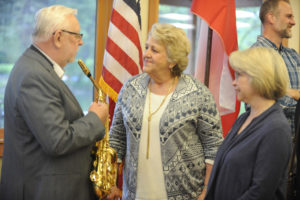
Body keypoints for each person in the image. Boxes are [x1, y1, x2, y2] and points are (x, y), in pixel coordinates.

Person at [0, 5, 108, 200]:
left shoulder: (36, 68)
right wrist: (95, 119)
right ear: (58, 37)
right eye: (77, 36)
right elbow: (57, 140)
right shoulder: (34, 75)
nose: (81, 42)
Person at [107, 23, 223, 200]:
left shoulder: (198, 93)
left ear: (172, 60)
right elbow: (117, 139)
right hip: (134, 195)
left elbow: (214, 147)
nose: (146, 54)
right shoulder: (130, 88)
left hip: (187, 194)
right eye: (147, 47)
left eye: (154, 50)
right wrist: (111, 183)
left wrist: (207, 190)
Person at [205, 47, 292, 200]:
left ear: (259, 77)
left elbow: (260, 192)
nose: (233, 82)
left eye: (239, 75)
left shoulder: (276, 129)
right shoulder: (243, 119)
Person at [252, 0, 300, 138]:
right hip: (269, 143)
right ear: (271, 17)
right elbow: (260, 106)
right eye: (289, 16)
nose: (293, 22)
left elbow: (275, 102)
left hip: (293, 147)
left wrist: (287, 94)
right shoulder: (255, 55)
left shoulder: (293, 56)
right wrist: (296, 96)